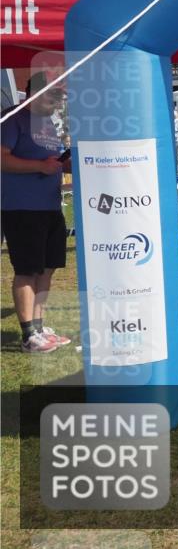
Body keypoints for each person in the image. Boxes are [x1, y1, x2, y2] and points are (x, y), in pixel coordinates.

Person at [0, 73, 72, 353]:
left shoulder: (48, 124)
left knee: (47, 268)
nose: (58, 102)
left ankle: (39, 327)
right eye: (55, 95)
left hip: (50, 206)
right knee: (27, 270)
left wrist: (66, 163)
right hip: (21, 208)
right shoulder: (12, 119)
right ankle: (29, 334)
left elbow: (51, 162)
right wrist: (39, 167)